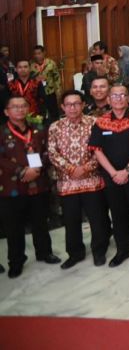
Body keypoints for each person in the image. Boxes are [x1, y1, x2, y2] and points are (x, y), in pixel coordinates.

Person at [47, 91, 109, 269]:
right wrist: (71, 169)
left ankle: (99, 251)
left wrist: (86, 168)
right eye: (69, 104)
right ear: (63, 107)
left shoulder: (94, 123)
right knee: (71, 220)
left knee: (97, 219)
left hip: (92, 180)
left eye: (76, 104)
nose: (72, 108)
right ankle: (75, 253)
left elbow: (102, 148)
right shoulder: (55, 127)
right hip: (67, 182)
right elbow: (52, 153)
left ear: (83, 105)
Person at [90, 84, 129, 267]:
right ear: (108, 99)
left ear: (128, 99)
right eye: (114, 96)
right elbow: (97, 150)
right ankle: (122, 250)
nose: (118, 99)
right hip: (111, 177)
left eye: (122, 95)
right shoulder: (100, 122)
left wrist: (127, 171)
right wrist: (114, 173)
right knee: (117, 215)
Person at [0, 96, 60, 277]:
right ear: (6, 112)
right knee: (14, 227)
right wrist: (21, 171)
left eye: (23, 106)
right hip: (11, 187)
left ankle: (44, 252)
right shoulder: (1, 132)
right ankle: (16, 261)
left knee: (40, 222)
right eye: (15, 107)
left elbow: (49, 151)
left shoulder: (39, 129)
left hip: (38, 184)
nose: (20, 110)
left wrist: (37, 168)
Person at [30, 45, 60, 124]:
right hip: (37, 93)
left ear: (44, 53)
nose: (37, 56)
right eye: (35, 54)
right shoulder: (31, 65)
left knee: (53, 112)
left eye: (39, 53)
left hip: (49, 91)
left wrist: (58, 90)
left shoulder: (51, 63)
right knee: (40, 112)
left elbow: (56, 77)